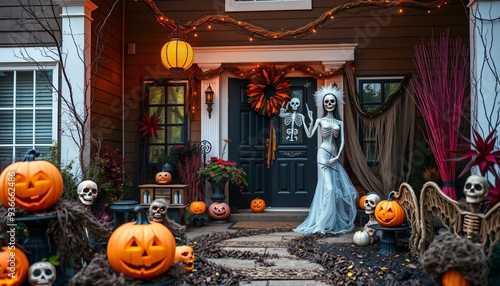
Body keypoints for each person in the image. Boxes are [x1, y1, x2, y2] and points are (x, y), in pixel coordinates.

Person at [294, 84, 358, 234]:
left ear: (335, 104)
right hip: (322, 154)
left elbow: (342, 142)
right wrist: (307, 120)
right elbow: (309, 135)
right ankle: (321, 222)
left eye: (332, 102)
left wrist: (336, 157)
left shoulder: (339, 123)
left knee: (333, 189)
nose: (329, 104)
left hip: (333, 157)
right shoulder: (319, 121)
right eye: (327, 102)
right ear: (323, 104)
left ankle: (330, 222)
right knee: (328, 187)